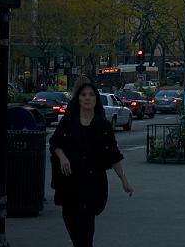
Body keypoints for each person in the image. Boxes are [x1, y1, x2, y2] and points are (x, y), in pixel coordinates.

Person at [50, 81, 133, 247]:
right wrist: (63, 157)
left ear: (96, 99)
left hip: (92, 183)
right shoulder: (68, 121)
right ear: (78, 99)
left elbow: (113, 154)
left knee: (86, 229)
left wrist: (124, 180)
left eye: (91, 95)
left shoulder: (102, 125)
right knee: (72, 224)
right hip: (69, 183)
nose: (87, 98)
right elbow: (55, 144)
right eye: (83, 95)